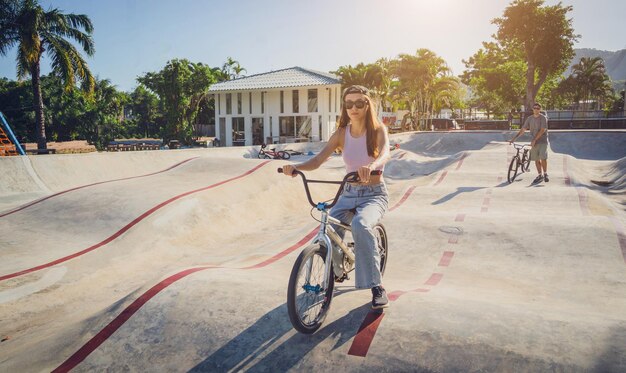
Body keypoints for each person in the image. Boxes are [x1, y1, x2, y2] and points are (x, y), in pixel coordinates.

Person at [281, 85, 391, 309]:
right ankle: (336, 271)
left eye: (359, 103)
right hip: (347, 193)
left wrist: (371, 166)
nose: (353, 108)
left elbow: (386, 153)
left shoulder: (378, 130)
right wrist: (296, 167)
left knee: (361, 224)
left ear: (367, 105)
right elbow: (318, 160)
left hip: (374, 194)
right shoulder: (342, 133)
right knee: (329, 229)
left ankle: (376, 286)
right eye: (349, 104)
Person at [509, 102, 549, 183]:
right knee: (536, 159)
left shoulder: (543, 118)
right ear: (533, 109)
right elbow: (523, 129)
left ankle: (545, 173)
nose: (536, 110)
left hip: (542, 141)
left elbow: (542, 130)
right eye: (535, 108)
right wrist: (514, 138)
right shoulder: (530, 118)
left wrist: (534, 140)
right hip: (534, 142)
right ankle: (539, 175)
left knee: (543, 157)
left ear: (540, 109)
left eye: (538, 108)